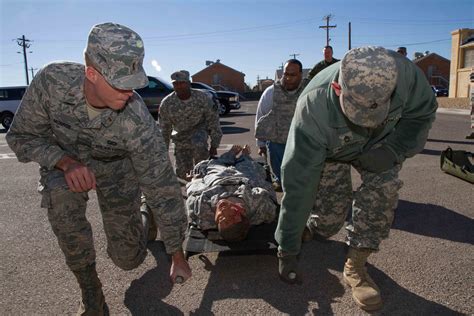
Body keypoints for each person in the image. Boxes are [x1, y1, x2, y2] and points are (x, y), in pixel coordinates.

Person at [6, 22, 192, 315]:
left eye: (134, 82)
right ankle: (90, 292)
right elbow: (20, 137)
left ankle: (144, 214)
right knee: (60, 199)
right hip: (64, 163)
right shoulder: (51, 83)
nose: (129, 92)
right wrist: (64, 162)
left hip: (117, 168)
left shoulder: (137, 119)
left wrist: (176, 252)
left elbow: (162, 185)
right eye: (120, 82)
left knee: (128, 259)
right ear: (91, 74)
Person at [275, 46, 437, 311]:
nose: (367, 122)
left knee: (384, 188)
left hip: (381, 146)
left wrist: (393, 151)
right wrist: (287, 247)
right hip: (331, 152)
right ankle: (310, 228)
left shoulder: (406, 76)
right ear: (338, 89)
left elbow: (422, 114)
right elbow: (299, 184)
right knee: (328, 223)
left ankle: (356, 266)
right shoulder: (312, 108)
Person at [186, 145, 278, 241]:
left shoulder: (202, 212)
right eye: (228, 216)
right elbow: (269, 194)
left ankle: (231, 154)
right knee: (250, 165)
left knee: (213, 165)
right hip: (245, 178)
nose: (221, 211)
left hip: (218, 179)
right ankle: (245, 155)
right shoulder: (258, 205)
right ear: (240, 213)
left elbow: (193, 194)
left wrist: (195, 180)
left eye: (219, 219)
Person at [159, 70, 222, 181]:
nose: (179, 86)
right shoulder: (167, 103)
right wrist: (163, 152)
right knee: (183, 173)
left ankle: (203, 183)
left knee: (201, 167)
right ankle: (192, 187)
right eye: (176, 84)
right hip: (180, 136)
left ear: (188, 83)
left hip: (199, 131)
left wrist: (214, 145)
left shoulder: (202, 98)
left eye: (182, 82)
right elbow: (165, 129)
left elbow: (213, 120)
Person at [255, 59, 307, 191]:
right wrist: (260, 144)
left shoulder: (309, 91)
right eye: (286, 74)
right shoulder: (271, 92)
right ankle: (281, 180)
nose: (288, 78)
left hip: (302, 140)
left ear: (301, 75)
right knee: (275, 150)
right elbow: (261, 116)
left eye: (293, 75)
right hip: (278, 140)